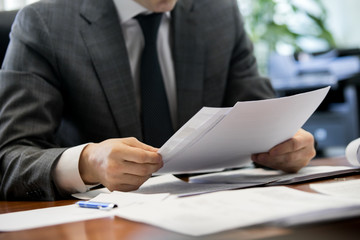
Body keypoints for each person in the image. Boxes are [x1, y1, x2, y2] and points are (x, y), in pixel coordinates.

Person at [0, 0, 315, 200]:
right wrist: (87, 162)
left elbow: (263, 119)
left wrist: (286, 146)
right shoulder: (45, 24)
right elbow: (10, 157)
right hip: (101, 224)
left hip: (210, 211)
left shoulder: (219, 14)